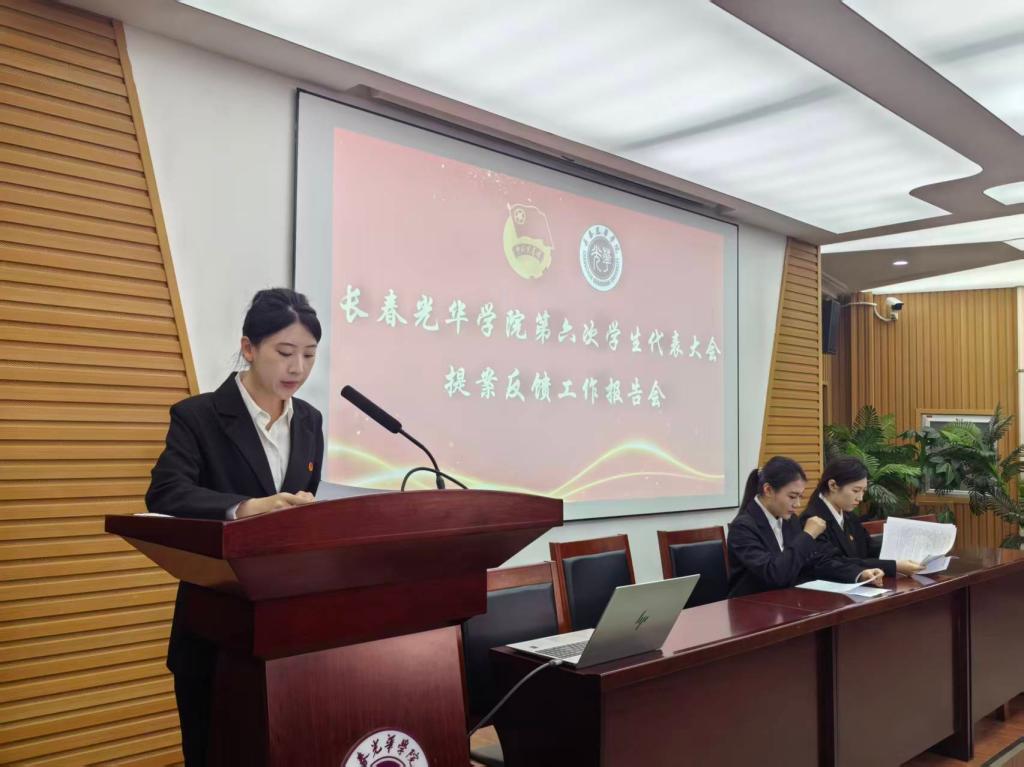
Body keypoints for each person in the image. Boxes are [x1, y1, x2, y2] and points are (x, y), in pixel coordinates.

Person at [145, 288, 324, 766]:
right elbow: (166, 493)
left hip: (288, 631)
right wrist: (246, 508)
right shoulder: (198, 416)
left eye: (309, 355)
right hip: (215, 628)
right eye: (284, 352)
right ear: (248, 348)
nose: (298, 368)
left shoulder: (309, 421)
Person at [727, 456, 885, 597]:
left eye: (800, 496)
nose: (797, 504)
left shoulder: (790, 520)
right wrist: (807, 535)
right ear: (768, 490)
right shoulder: (743, 527)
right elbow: (773, 574)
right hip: (752, 607)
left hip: (788, 602)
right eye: (792, 496)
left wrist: (859, 573)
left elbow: (818, 562)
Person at [801, 456, 923, 578]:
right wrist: (894, 566)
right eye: (856, 490)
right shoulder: (812, 520)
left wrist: (908, 548)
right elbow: (832, 563)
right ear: (833, 485)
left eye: (863, 491)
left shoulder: (848, 515)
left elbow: (868, 547)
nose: (860, 498)